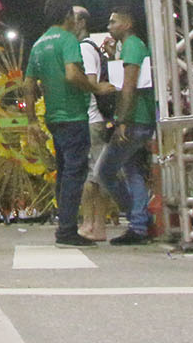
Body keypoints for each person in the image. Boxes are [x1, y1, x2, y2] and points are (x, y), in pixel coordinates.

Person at [24, 0, 115, 247]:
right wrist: (96, 88)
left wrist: (32, 120)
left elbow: (29, 85)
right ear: (67, 16)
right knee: (75, 173)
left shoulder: (38, 44)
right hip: (74, 116)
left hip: (53, 117)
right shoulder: (68, 41)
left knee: (64, 173)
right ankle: (66, 230)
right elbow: (73, 74)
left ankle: (64, 226)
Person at [94, 7, 155, 245]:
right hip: (140, 118)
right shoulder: (132, 46)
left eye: (113, 22)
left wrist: (122, 121)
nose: (109, 26)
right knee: (132, 172)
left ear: (128, 23)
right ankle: (140, 222)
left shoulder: (131, 46)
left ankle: (138, 222)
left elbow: (128, 87)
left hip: (134, 120)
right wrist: (112, 57)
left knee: (104, 171)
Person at [76, 15, 116, 241]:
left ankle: (91, 224)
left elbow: (90, 82)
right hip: (100, 117)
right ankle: (96, 224)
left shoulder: (84, 49)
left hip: (93, 118)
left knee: (92, 174)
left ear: (80, 22)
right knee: (98, 172)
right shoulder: (95, 49)